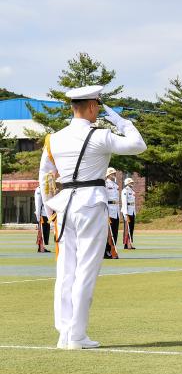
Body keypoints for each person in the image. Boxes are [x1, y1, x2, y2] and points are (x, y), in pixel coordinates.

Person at [38, 84, 146, 350]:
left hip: (64, 207)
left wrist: (51, 208)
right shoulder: (100, 136)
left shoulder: (55, 138)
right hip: (90, 204)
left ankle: (64, 333)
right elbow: (138, 145)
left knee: (65, 271)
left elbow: (46, 177)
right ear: (91, 106)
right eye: (97, 104)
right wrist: (124, 122)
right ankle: (77, 335)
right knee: (86, 269)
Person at [104, 167, 120, 259]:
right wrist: (106, 214)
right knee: (108, 233)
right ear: (107, 174)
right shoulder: (105, 184)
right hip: (109, 210)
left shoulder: (115, 185)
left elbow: (117, 200)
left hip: (116, 210)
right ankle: (106, 251)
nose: (113, 174)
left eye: (114, 173)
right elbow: (105, 199)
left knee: (114, 232)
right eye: (112, 173)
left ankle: (112, 250)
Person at [121, 177, 136, 250]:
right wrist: (125, 213)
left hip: (132, 211)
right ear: (127, 183)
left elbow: (133, 203)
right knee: (127, 228)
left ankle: (130, 243)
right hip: (127, 211)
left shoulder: (132, 191)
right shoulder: (125, 190)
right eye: (130, 182)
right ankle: (126, 244)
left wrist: (134, 212)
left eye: (132, 182)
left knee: (131, 228)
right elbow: (124, 202)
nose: (132, 183)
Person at [34, 186, 51, 253]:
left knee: (46, 232)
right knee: (42, 232)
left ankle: (42, 247)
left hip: (46, 214)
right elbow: (37, 203)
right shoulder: (39, 189)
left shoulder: (46, 188)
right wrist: (38, 216)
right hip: (42, 214)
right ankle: (41, 248)